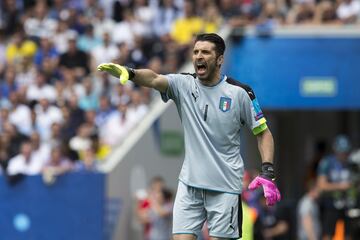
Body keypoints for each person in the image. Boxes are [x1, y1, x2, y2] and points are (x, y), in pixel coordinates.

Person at [98, 33, 281, 239]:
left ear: (220, 59)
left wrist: (267, 170)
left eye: (205, 52)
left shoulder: (240, 93)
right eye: (195, 52)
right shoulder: (183, 84)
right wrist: (130, 72)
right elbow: (154, 78)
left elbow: (263, 133)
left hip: (225, 188)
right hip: (189, 186)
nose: (198, 56)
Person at [316, 135, 353, 240]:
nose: (344, 155)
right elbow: (321, 185)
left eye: (346, 152)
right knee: (328, 234)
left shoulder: (350, 163)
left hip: (347, 204)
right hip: (330, 204)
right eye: (342, 152)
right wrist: (340, 186)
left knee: (348, 234)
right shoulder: (327, 162)